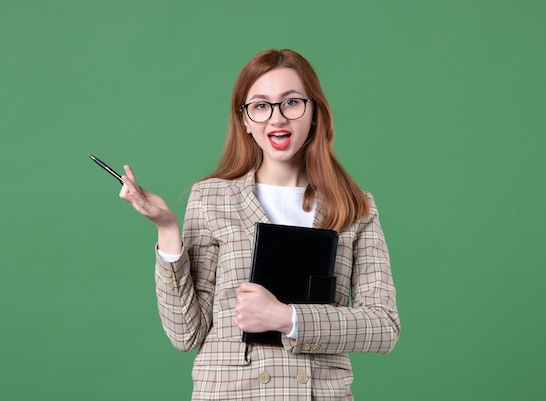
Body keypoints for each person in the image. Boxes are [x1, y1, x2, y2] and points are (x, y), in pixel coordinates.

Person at [119, 48, 400, 400]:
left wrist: (286, 317)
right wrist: (167, 230)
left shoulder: (356, 205)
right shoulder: (212, 198)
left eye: (292, 102)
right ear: (245, 120)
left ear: (314, 113)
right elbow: (186, 334)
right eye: (261, 105)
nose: (277, 119)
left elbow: (384, 326)